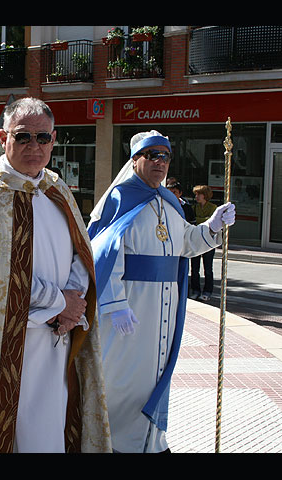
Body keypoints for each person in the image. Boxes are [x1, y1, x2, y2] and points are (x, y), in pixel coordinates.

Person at [0, 97, 111, 453]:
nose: (34, 146)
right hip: (6, 344)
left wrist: (74, 302)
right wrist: (58, 301)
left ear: (54, 139)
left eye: (43, 138)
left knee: (53, 432)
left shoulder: (57, 189)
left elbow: (81, 253)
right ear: (3, 138)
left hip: (59, 338)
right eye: (23, 137)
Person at [87, 130, 236, 453]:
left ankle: (150, 442)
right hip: (128, 311)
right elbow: (103, 252)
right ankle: (113, 442)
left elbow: (187, 244)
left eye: (165, 156)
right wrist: (115, 303)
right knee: (123, 379)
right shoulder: (119, 198)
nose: (160, 162)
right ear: (135, 160)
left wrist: (212, 227)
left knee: (155, 377)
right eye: (152, 155)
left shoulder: (170, 203)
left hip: (163, 310)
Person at [190, 185, 218, 301]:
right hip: (196, 241)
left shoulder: (213, 207)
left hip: (208, 241)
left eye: (198, 194)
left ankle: (207, 291)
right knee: (194, 268)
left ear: (205, 195)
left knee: (208, 268)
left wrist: (199, 221)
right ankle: (195, 290)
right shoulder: (194, 208)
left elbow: (211, 221)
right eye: (195, 194)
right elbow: (192, 221)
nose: (196, 197)